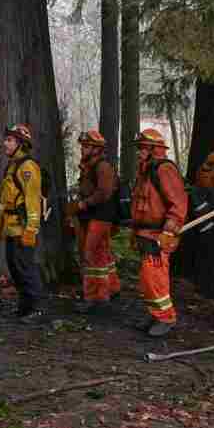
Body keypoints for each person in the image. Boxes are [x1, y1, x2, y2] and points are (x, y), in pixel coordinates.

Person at [130, 128, 188, 338]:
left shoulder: (164, 170)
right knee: (147, 279)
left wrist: (169, 231)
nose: (139, 152)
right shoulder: (145, 171)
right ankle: (155, 314)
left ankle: (166, 318)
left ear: (154, 149)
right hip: (145, 234)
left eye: (143, 148)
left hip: (158, 235)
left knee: (155, 278)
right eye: (139, 148)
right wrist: (134, 231)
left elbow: (178, 204)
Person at [0, 123, 46, 323]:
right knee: (15, 268)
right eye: (6, 139)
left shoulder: (27, 167)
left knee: (26, 268)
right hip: (11, 227)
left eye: (10, 140)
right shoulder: (12, 166)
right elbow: (5, 199)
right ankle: (25, 307)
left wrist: (31, 229)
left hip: (23, 228)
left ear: (21, 144)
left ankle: (37, 309)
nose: (5, 143)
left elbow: (33, 200)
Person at [68, 130, 121, 313]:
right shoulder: (89, 166)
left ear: (97, 149)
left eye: (87, 146)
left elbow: (104, 192)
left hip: (100, 216)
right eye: (82, 145)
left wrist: (84, 204)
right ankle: (112, 288)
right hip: (93, 216)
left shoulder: (102, 166)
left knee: (92, 256)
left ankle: (96, 298)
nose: (83, 149)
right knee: (103, 254)